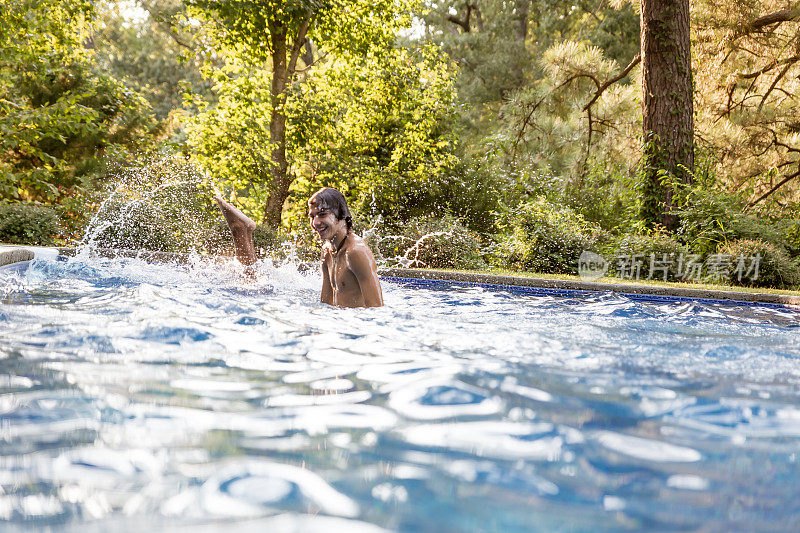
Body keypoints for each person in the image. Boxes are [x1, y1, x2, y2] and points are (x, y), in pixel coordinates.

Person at [215, 187, 383, 308]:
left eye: (322, 215)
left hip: (354, 334)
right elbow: (325, 304)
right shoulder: (327, 250)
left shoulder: (356, 252)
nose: (315, 223)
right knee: (254, 293)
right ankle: (241, 232)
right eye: (312, 216)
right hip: (337, 324)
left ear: (341, 216)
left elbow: (377, 311)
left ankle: (241, 231)